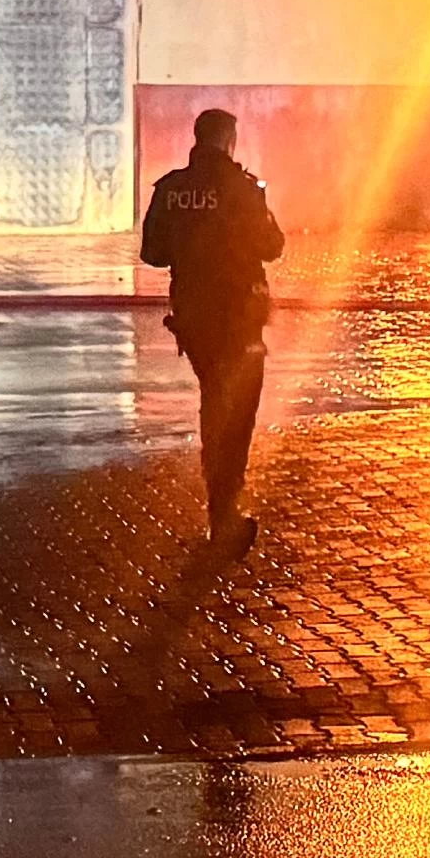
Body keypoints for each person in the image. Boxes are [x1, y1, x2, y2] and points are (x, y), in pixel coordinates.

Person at [138, 105, 288, 547]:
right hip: (239, 319)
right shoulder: (244, 189)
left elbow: (152, 252)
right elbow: (272, 246)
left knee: (214, 402)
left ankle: (218, 504)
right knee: (238, 412)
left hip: (193, 318)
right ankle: (225, 509)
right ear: (227, 141)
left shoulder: (171, 189)